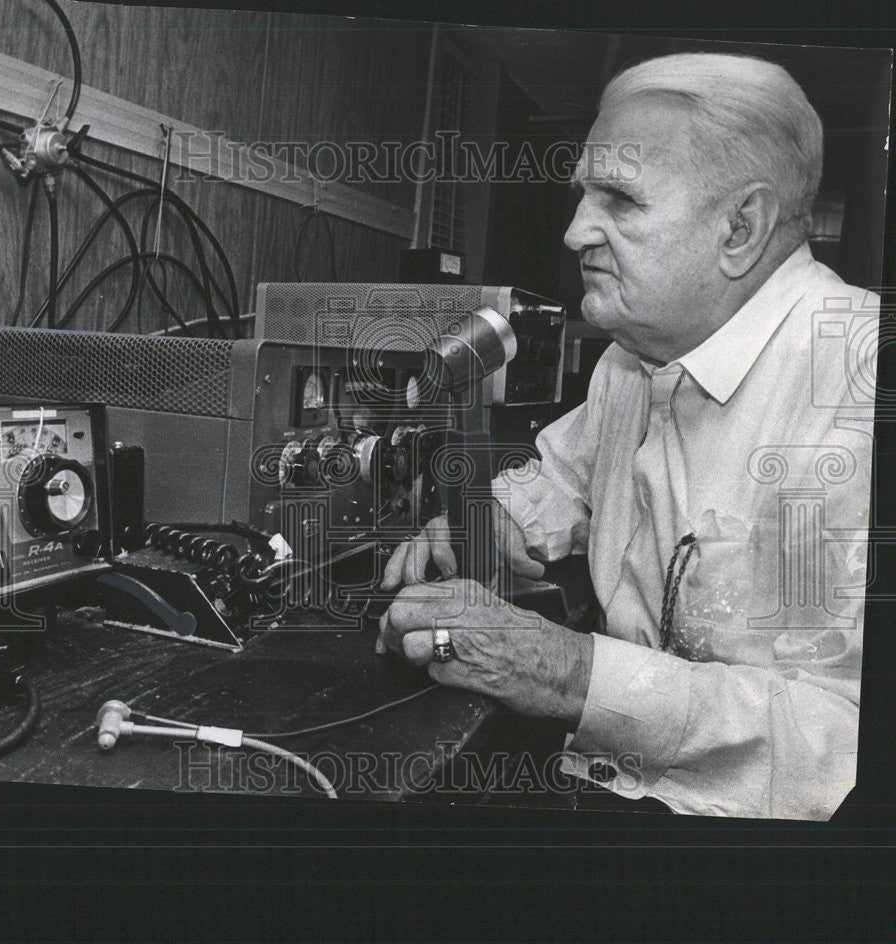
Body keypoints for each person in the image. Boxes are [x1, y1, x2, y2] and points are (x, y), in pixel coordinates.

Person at [376, 52, 879, 820]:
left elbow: (844, 746)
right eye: (584, 193)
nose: (577, 231)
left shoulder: (862, 393)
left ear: (739, 226)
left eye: (619, 199)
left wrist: (572, 673)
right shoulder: (635, 358)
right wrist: (483, 527)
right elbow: (560, 486)